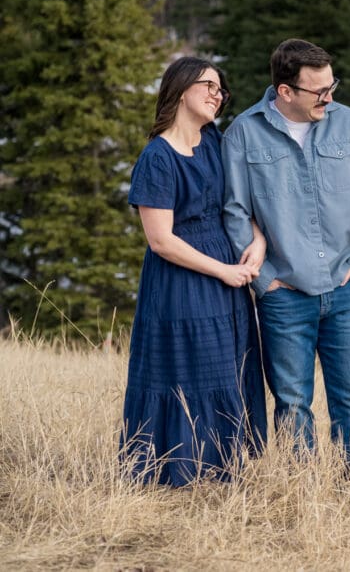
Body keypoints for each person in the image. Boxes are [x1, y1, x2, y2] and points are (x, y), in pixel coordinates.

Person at [222, 39, 350, 468]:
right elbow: (235, 211)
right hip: (284, 294)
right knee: (292, 404)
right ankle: (302, 494)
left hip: (344, 288)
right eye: (319, 91)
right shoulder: (243, 133)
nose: (329, 98)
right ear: (285, 91)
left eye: (332, 86)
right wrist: (265, 280)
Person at [121, 57, 267, 486]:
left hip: (226, 277)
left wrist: (257, 240)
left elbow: (238, 203)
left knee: (226, 367)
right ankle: (177, 469)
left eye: (221, 89)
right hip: (181, 280)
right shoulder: (157, 157)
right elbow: (160, 240)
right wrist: (221, 271)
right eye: (208, 86)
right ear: (182, 89)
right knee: (188, 367)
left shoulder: (214, 141)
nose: (217, 95)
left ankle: (223, 468)